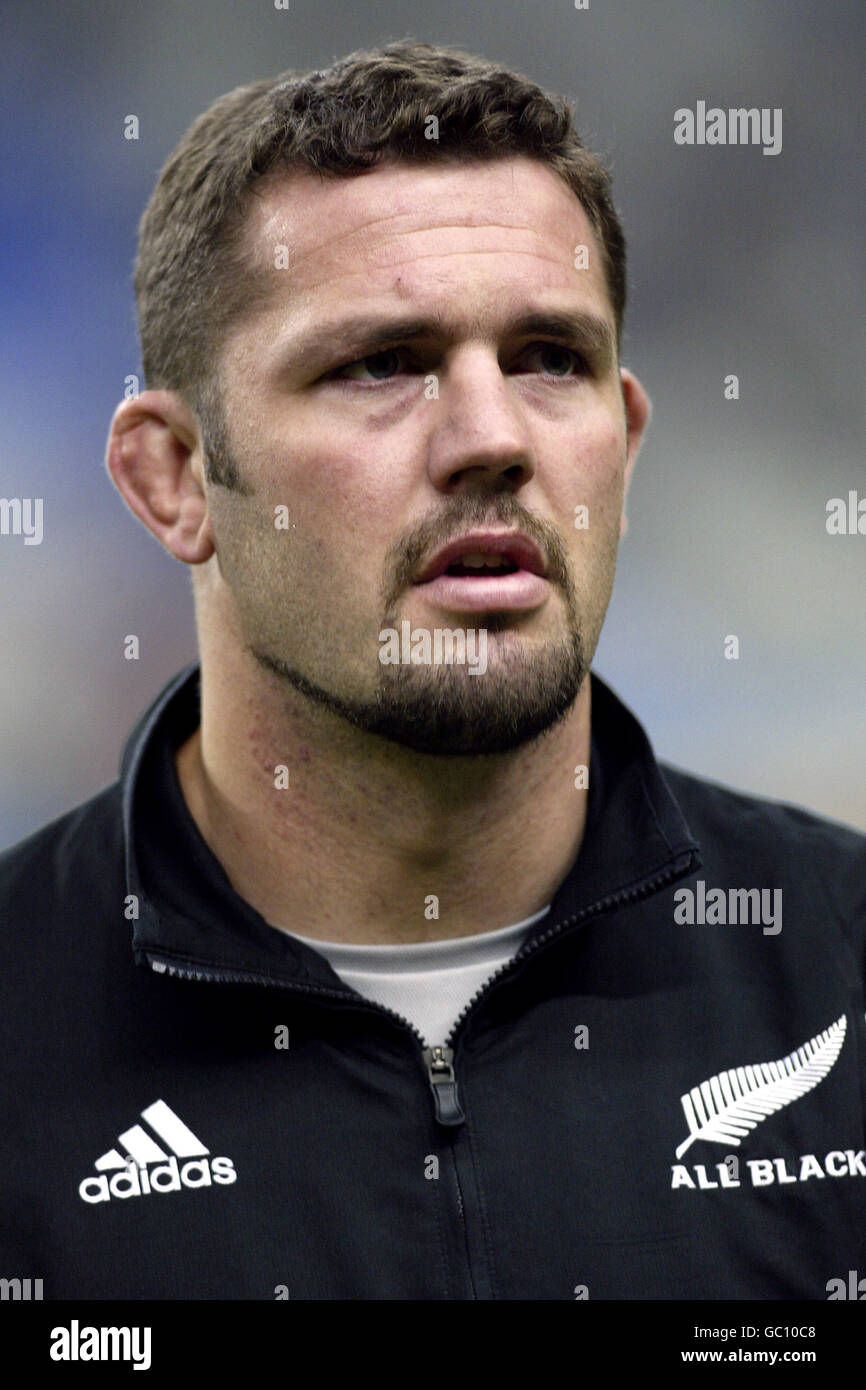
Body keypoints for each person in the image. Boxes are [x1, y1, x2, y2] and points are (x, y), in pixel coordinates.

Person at [1, 39, 863, 1301]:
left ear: (619, 447)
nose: (491, 438)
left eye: (547, 359)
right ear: (174, 478)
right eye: (380, 364)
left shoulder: (834, 953)